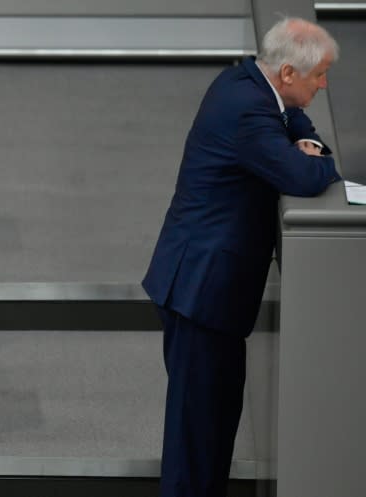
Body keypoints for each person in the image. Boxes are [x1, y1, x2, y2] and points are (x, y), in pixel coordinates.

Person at [142, 17, 340, 497]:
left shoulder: (246, 80)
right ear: (289, 73)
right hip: (200, 293)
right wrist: (321, 160)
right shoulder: (249, 114)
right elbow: (306, 177)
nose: (325, 84)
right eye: (319, 76)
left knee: (215, 428)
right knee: (196, 441)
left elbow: (295, 120)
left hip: (209, 293)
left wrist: (306, 136)